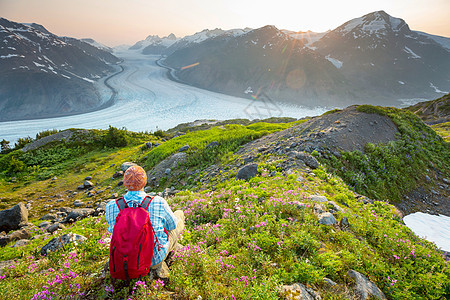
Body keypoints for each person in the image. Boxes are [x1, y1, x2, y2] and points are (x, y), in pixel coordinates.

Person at [105, 165, 185, 275]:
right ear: (144, 182)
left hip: (125, 260)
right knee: (179, 216)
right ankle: (172, 253)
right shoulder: (158, 201)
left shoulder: (111, 206)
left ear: (124, 182)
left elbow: (112, 231)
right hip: (153, 259)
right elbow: (172, 226)